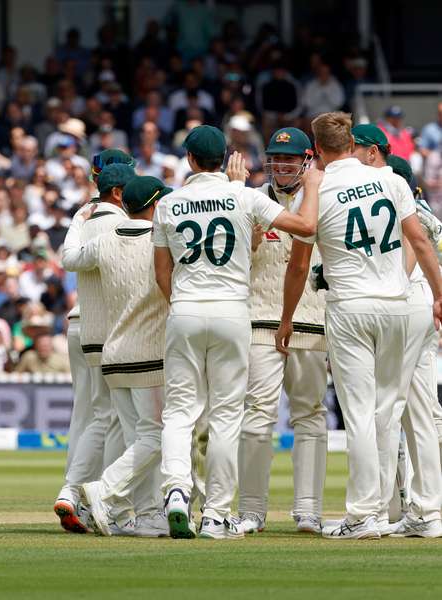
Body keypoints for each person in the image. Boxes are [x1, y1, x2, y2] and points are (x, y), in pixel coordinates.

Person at [278, 112, 442, 539]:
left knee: (360, 415)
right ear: (351, 143)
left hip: (350, 307)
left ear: (317, 149)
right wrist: (440, 296)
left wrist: (287, 318)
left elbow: (298, 267)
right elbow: (420, 241)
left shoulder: (316, 190)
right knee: (390, 412)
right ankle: (409, 511)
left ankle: (364, 514)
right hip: (398, 304)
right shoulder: (391, 179)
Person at [153, 125, 318, 540]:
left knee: (179, 412)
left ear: (189, 160)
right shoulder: (244, 195)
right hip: (233, 313)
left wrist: (183, 307)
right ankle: (215, 516)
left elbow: (161, 272)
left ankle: (176, 489)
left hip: (186, 308)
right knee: (227, 417)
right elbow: (304, 225)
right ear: (226, 158)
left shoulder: (169, 204)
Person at [62, 175, 172, 537]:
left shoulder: (104, 239)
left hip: (113, 355)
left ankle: (139, 517)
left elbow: (69, 258)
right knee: (154, 439)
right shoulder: (161, 241)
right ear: (154, 206)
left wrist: (78, 222)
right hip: (149, 354)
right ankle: (105, 492)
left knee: (134, 440)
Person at [345, 126, 442, 537]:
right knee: (422, 414)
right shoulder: (431, 215)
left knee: (384, 408)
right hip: (427, 311)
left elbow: (406, 259)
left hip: (405, 303)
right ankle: (427, 510)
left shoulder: (398, 206)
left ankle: (374, 510)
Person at [238, 128, 328, 535]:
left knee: (310, 414)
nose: (281, 166)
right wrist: (250, 241)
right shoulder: (252, 198)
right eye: (276, 159)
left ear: (306, 160)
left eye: (290, 159)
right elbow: (232, 263)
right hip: (261, 318)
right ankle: (252, 510)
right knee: (257, 416)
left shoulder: (322, 197)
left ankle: (308, 510)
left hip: (309, 319)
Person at [53, 157, 133, 533]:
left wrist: (74, 222)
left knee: (88, 417)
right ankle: (102, 499)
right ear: (118, 189)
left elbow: (68, 258)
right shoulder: (122, 222)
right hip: (111, 331)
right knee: (113, 420)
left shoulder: (84, 217)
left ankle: (73, 494)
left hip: (81, 328)